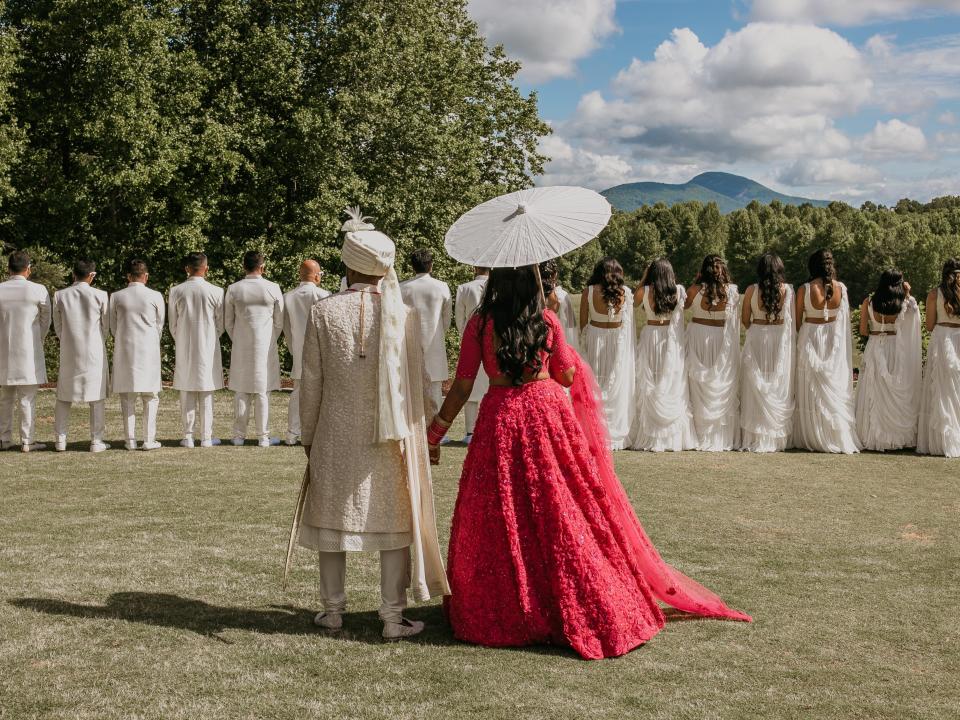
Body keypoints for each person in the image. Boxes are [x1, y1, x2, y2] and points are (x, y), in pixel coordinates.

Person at [432, 265, 750, 660]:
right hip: (546, 413)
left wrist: (436, 430)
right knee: (562, 508)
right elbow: (565, 374)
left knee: (500, 511)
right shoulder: (545, 319)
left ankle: (512, 605)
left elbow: (463, 383)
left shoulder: (481, 323)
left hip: (500, 418)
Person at [297, 208, 448, 639]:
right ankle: (391, 616)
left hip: (335, 431)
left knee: (333, 519)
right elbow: (420, 384)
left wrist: (308, 433)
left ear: (348, 265)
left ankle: (332, 610)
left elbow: (311, 383)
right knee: (393, 520)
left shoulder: (324, 312)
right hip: (392, 433)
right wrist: (429, 431)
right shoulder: (404, 315)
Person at [794, 249, 861, 454]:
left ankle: (814, 435)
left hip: (810, 336)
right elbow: (843, 320)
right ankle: (834, 436)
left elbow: (796, 322)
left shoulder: (805, 289)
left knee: (811, 388)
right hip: (834, 340)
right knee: (832, 384)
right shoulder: (841, 288)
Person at [627, 258, 696, 452]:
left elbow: (633, 302)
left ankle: (651, 433)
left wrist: (643, 277)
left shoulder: (645, 291)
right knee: (671, 380)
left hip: (651, 335)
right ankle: (670, 435)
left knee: (651, 380)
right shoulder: (679, 290)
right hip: (670, 338)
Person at [855, 269, 922, 452]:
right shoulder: (903, 303)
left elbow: (863, 330)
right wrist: (908, 293)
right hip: (896, 347)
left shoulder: (868, 302)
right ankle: (896, 436)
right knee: (894, 391)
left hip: (875, 343)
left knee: (874, 389)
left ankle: (873, 435)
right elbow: (914, 319)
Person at [225, 251, 284, 447]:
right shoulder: (273, 287)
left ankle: (238, 436)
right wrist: (269, 338)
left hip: (242, 344)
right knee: (262, 390)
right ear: (262, 267)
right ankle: (263, 437)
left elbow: (228, 323)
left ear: (244, 266)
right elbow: (279, 321)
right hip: (265, 344)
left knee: (242, 390)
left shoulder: (234, 289)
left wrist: (240, 339)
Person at [52, 259, 110, 452]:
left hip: (69, 349)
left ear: (73, 273)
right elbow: (106, 326)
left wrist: (68, 339)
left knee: (64, 395)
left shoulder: (60, 295)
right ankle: (96, 440)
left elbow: (58, 327)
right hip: (94, 349)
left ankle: (61, 439)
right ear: (92, 275)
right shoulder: (100, 295)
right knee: (96, 396)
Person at [168, 252, 225, 449]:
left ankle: (188, 436)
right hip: (208, 346)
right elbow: (221, 324)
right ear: (206, 268)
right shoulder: (216, 291)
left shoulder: (176, 290)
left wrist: (183, 338)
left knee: (187, 391)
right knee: (206, 391)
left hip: (185, 344)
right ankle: (206, 437)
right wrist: (209, 336)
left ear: (187, 268)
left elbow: (172, 324)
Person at [739, 254, 795, 453]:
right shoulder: (787, 290)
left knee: (755, 385)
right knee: (776, 384)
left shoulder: (751, 290)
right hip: (779, 337)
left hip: (757, 336)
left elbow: (745, 319)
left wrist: (757, 327)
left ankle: (755, 436)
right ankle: (774, 436)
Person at [685, 255, 740, 451]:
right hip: (721, 337)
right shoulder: (732, 291)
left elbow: (683, 307)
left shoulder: (694, 290)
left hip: (699, 335)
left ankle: (700, 432)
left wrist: (695, 281)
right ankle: (718, 433)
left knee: (699, 384)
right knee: (720, 382)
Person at [579, 257, 634, 450]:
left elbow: (583, 325)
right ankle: (613, 429)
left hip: (595, 338)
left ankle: (595, 429)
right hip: (617, 339)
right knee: (615, 381)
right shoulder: (626, 293)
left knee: (595, 383)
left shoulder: (589, 292)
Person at [111, 258, 165, 451]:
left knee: (128, 396)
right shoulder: (156, 295)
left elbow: (113, 326)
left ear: (128, 276)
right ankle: (149, 439)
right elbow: (160, 325)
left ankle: (130, 440)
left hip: (125, 349)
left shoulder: (117, 296)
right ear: (146, 276)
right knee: (150, 395)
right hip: (148, 349)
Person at [0, 250, 51, 452]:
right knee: (27, 397)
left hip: (3, 348)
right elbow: (46, 320)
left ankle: (3, 439)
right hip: (29, 349)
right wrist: (39, 338)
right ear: (28, 269)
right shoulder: (38, 290)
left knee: (6, 397)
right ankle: (27, 441)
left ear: (8, 268)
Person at [282, 259, 329, 446]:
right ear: (316, 275)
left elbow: (285, 327)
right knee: (321, 392)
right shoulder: (323, 294)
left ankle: (292, 433)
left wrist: (293, 348)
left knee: (298, 392)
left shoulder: (288, 296)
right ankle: (317, 432)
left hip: (299, 349)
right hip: (320, 350)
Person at [400, 249, 452, 410]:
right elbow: (446, 320)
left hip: (409, 342)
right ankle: (437, 434)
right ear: (431, 265)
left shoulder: (402, 288)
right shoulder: (442, 287)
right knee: (435, 391)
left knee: (411, 391)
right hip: (435, 342)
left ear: (412, 266)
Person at [918, 258, 960, 457]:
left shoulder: (935, 294)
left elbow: (928, 325)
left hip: (943, 338)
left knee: (943, 390)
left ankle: (945, 439)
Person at [454, 266, 489, 443]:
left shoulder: (464, 288)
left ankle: (470, 431)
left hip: (471, 338)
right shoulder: (496, 286)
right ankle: (485, 429)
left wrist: (465, 337)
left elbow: (459, 318)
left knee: (469, 382)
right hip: (492, 340)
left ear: (475, 268)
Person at [539, 260, 579, 353]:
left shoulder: (531, 298)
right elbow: (570, 328)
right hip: (561, 346)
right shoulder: (563, 296)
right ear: (555, 275)